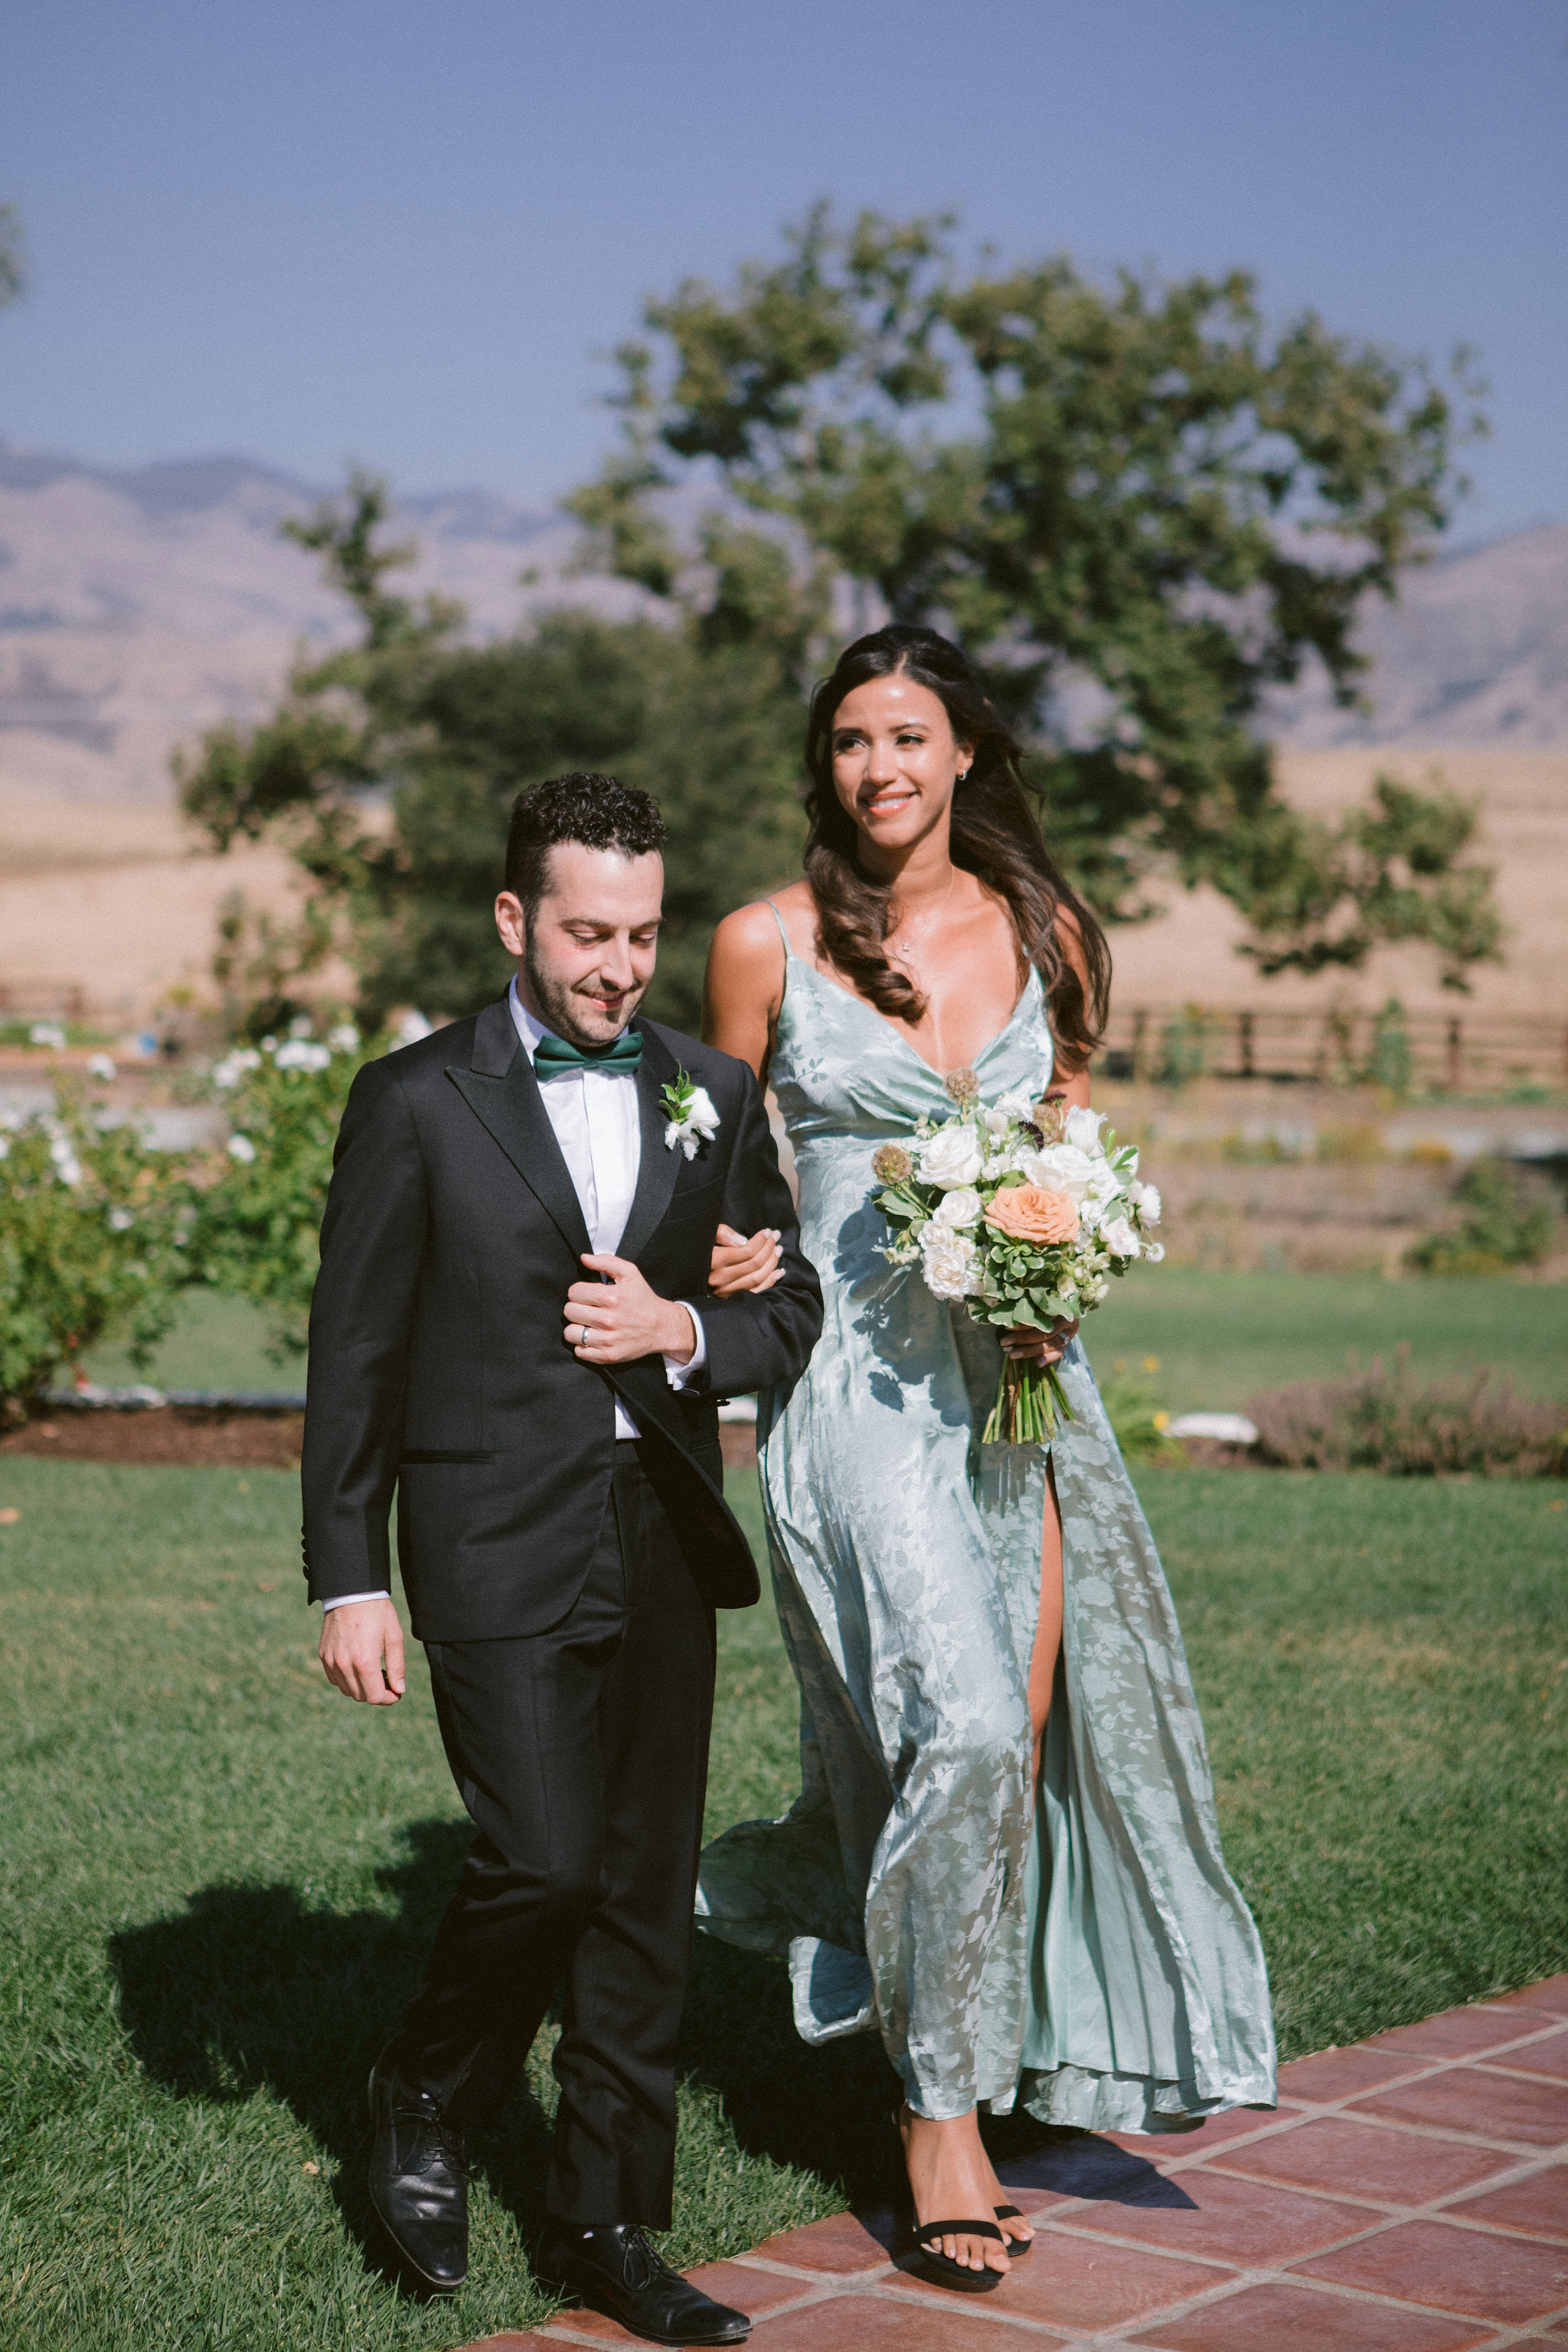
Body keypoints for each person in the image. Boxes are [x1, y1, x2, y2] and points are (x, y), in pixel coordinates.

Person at [697, 628, 1276, 2294]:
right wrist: (729, 1254)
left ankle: (961, 2020)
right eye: (849, 741)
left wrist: (1064, 1267)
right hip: (853, 1389)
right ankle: (935, 2115)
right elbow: (716, 1168)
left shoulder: (1050, 931)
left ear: (964, 755)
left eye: (907, 737)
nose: (877, 768)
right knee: (953, 1724)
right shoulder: (764, 942)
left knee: (1008, 1738)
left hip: (1024, 1391)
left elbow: (1062, 1145)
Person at [302, 773, 822, 2347]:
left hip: (662, 1531)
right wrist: (349, 1577)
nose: (620, 965)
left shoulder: (708, 1090)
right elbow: (355, 1356)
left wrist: (686, 1330)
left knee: (643, 1889)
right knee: (544, 1858)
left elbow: (785, 1311)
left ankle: (605, 2221)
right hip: (489, 1532)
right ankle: (425, 2087)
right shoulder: (414, 1099)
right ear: (514, 919)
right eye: (589, 933)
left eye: (643, 934)